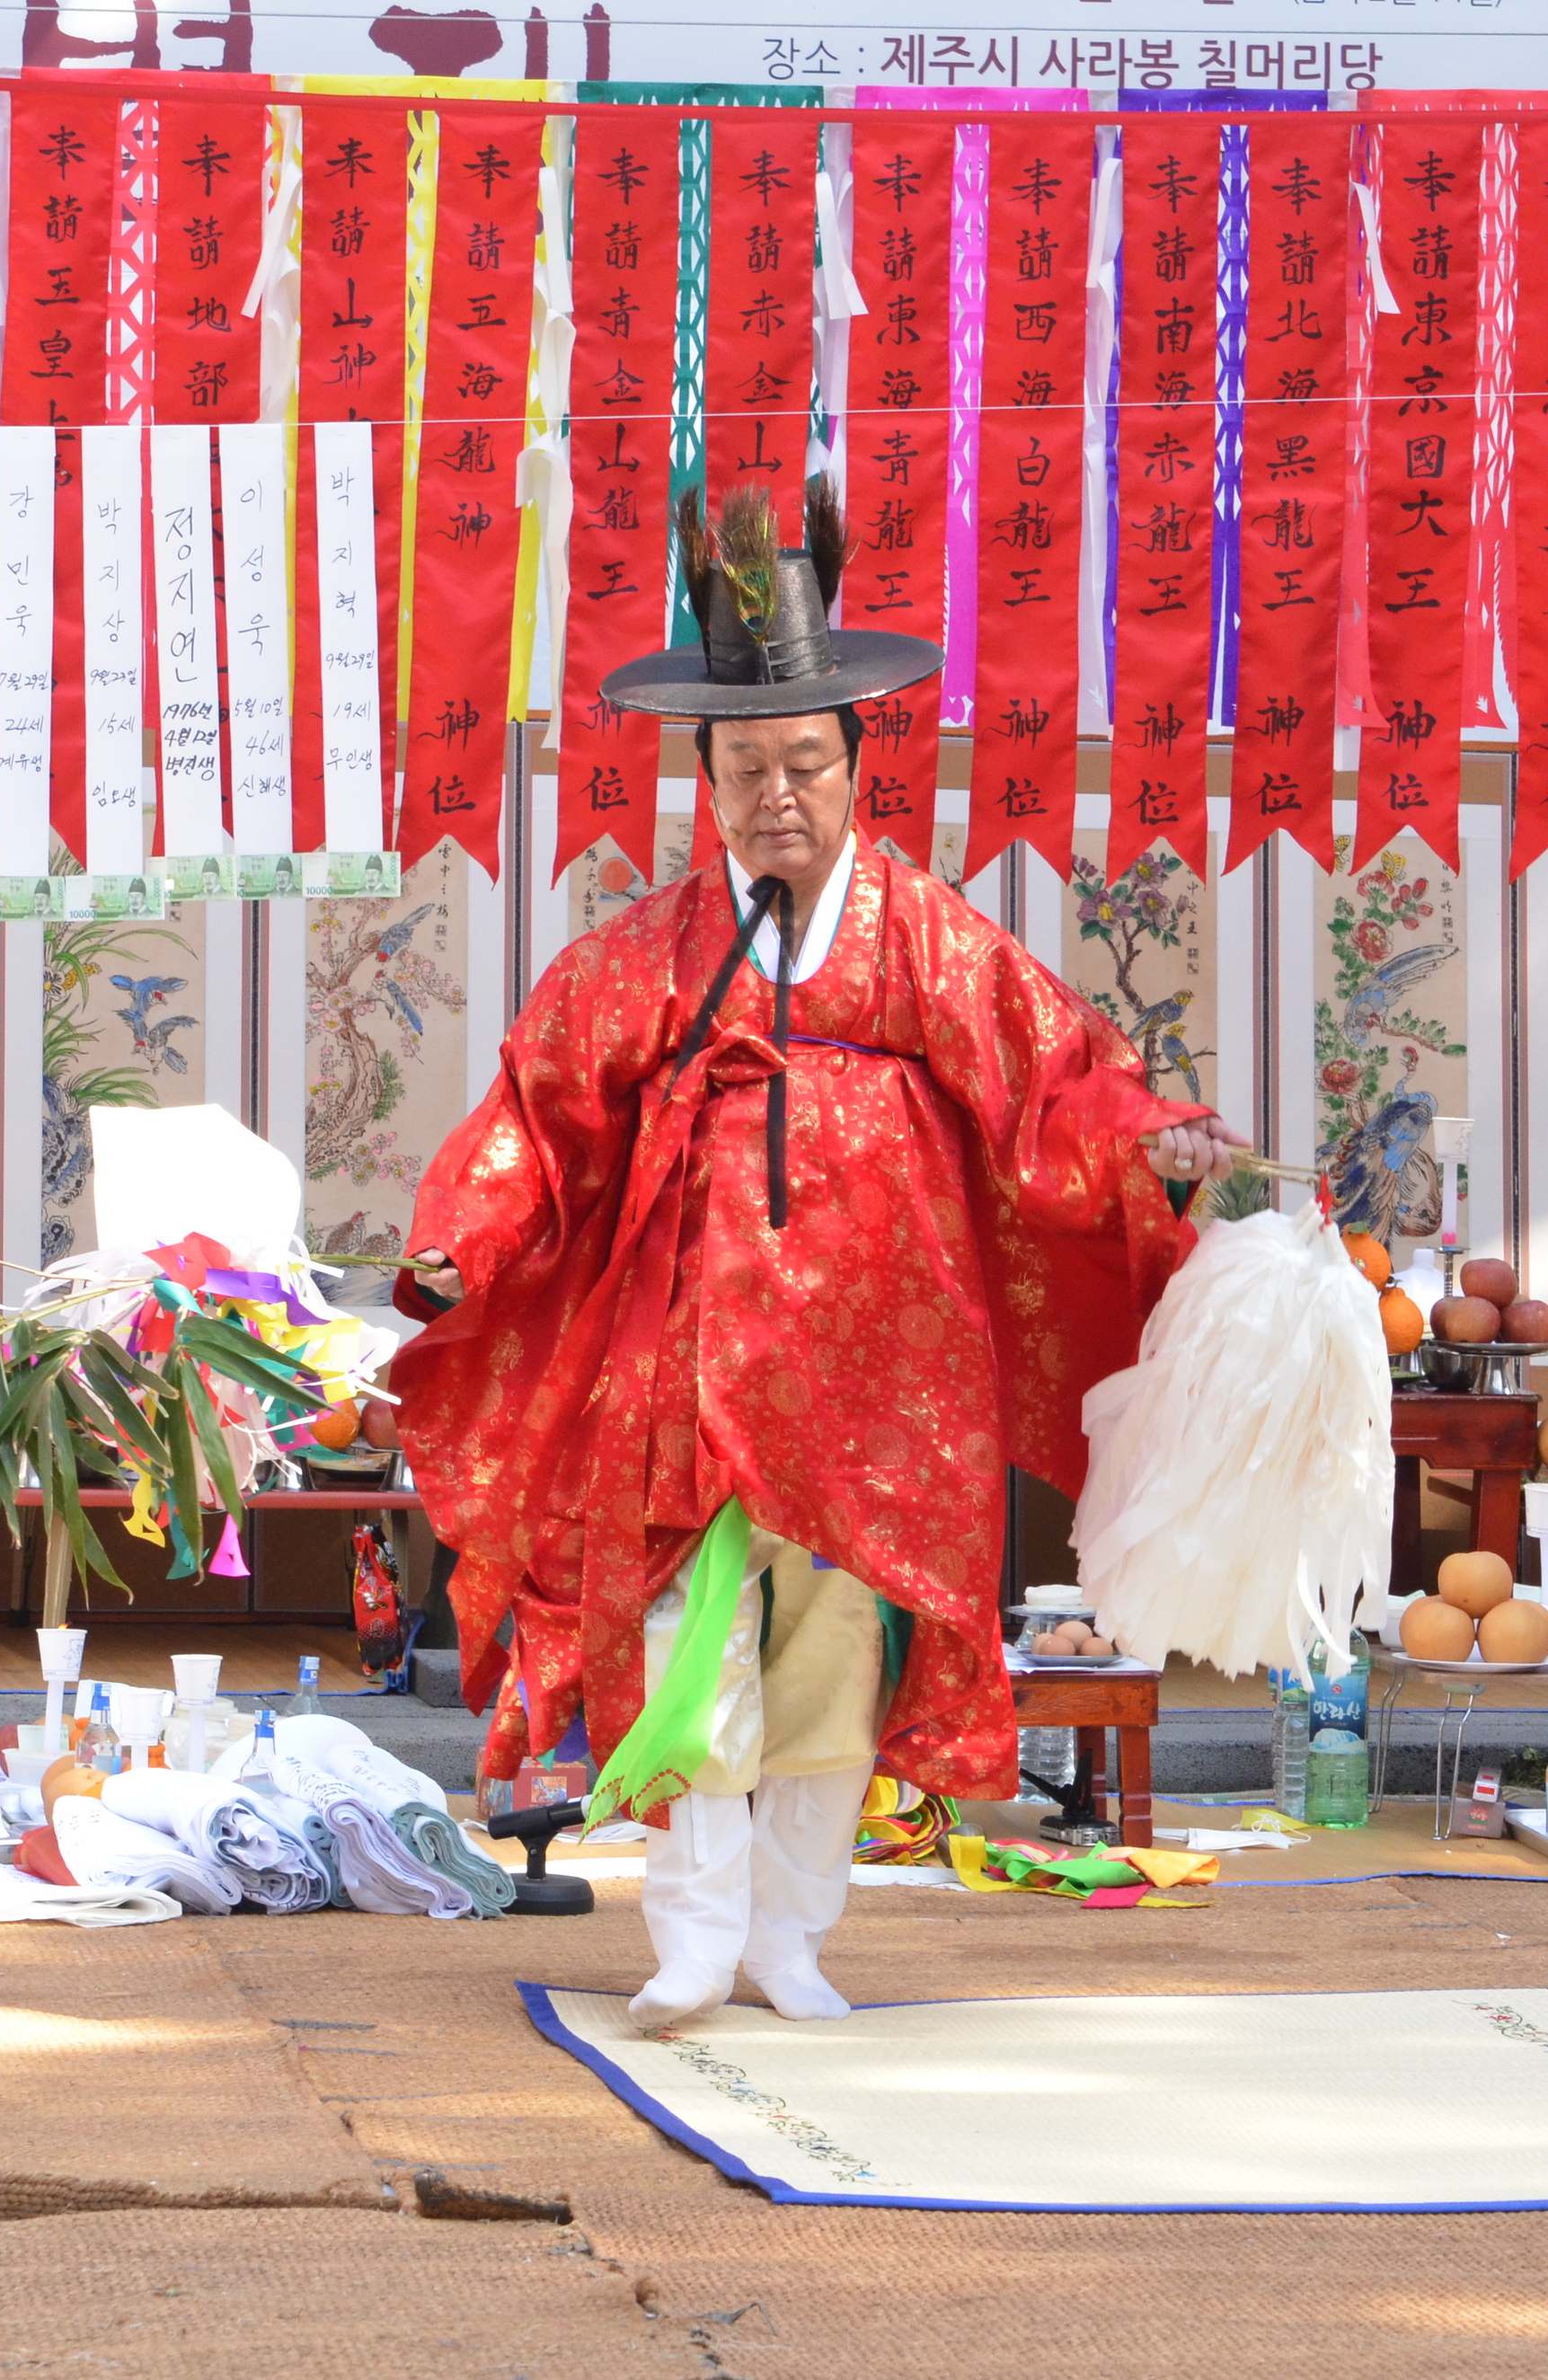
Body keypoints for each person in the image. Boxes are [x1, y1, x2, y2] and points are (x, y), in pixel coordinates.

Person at [390, 479, 1238, 2027]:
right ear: (703, 778)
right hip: (689, 1352)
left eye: (803, 765)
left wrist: (1149, 1137)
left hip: (886, 1365)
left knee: (837, 1660)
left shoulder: (926, 936)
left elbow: (1055, 1075)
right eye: (744, 769)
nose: (777, 796)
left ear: (858, 764)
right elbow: (541, 1103)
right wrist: (464, 1236)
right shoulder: (644, 951)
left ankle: (792, 1935)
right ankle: (695, 1937)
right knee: (684, 1638)